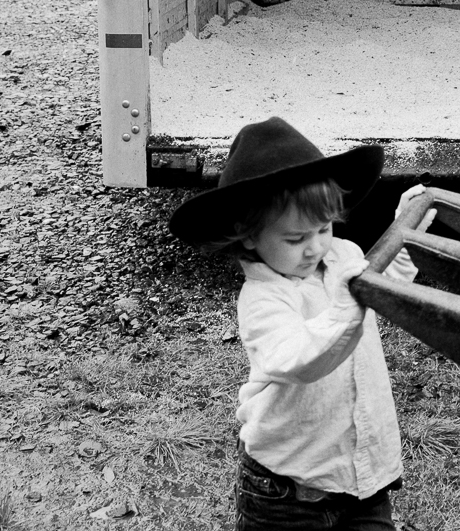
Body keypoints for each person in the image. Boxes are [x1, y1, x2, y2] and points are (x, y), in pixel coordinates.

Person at [167, 117, 419, 531]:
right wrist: (345, 306)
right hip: (286, 495)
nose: (315, 246)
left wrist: (405, 232)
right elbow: (299, 361)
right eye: (295, 238)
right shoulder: (264, 300)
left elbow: (386, 289)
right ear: (248, 235)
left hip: (364, 481)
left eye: (323, 228)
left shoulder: (341, 254)